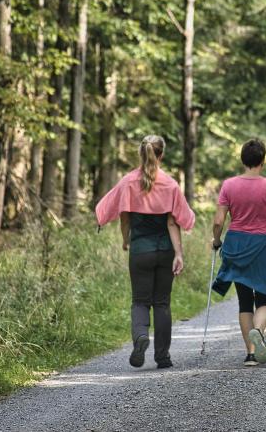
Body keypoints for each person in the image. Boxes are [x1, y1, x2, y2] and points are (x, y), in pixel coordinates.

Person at [95, 135, 195, 369]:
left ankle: (140, 336)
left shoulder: (128, 182)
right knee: (162, 303)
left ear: (141, 154)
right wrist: (179, 254)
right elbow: (175, 222)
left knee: (140, 301)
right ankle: (163, 357)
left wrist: (125, 240)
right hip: (165, 250)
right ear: (161, 155)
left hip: (140, 250)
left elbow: (122, 216)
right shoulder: (170, 185)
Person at [211, 139, 266, 366]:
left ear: (243, 160)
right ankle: (258, 331)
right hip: (261, 246)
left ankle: (250, 354)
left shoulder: (229, 185)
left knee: (244, 301)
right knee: (265, 297)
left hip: (236, 244)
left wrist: (217, 240)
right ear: (263, 161)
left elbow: (219, 221)